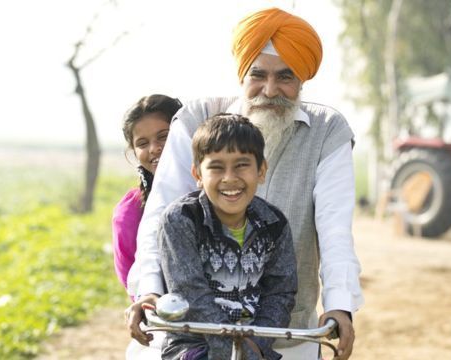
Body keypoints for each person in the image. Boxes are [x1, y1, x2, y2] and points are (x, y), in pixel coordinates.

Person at [126, 7, 364, 359]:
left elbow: (334, 227)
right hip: (192, 334)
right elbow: (160, 214)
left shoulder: (328, 131)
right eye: (258, 74)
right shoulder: (195, 118)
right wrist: (149, 291)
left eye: (285, 76)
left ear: (302, 79)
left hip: (287, 330)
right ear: (242, 73)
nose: (270, 90)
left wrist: (340, 304)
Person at [158, 114, 297, 359]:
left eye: (242, 164)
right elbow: (191, 294)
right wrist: (236, 352)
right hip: (194, 343)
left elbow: (281, 292)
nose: (230, 178)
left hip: (254, 345)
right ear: (198, 174)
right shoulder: (182, 219)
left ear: (261, 170)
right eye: (216, 167)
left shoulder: (274, 223)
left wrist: (256, 346)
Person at [112, 94, 182, 290]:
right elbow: (133, 284)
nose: (155, 148)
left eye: (164, 136)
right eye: (142, 143)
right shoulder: (129, 213)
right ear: (133, 152)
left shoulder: (218, 193)